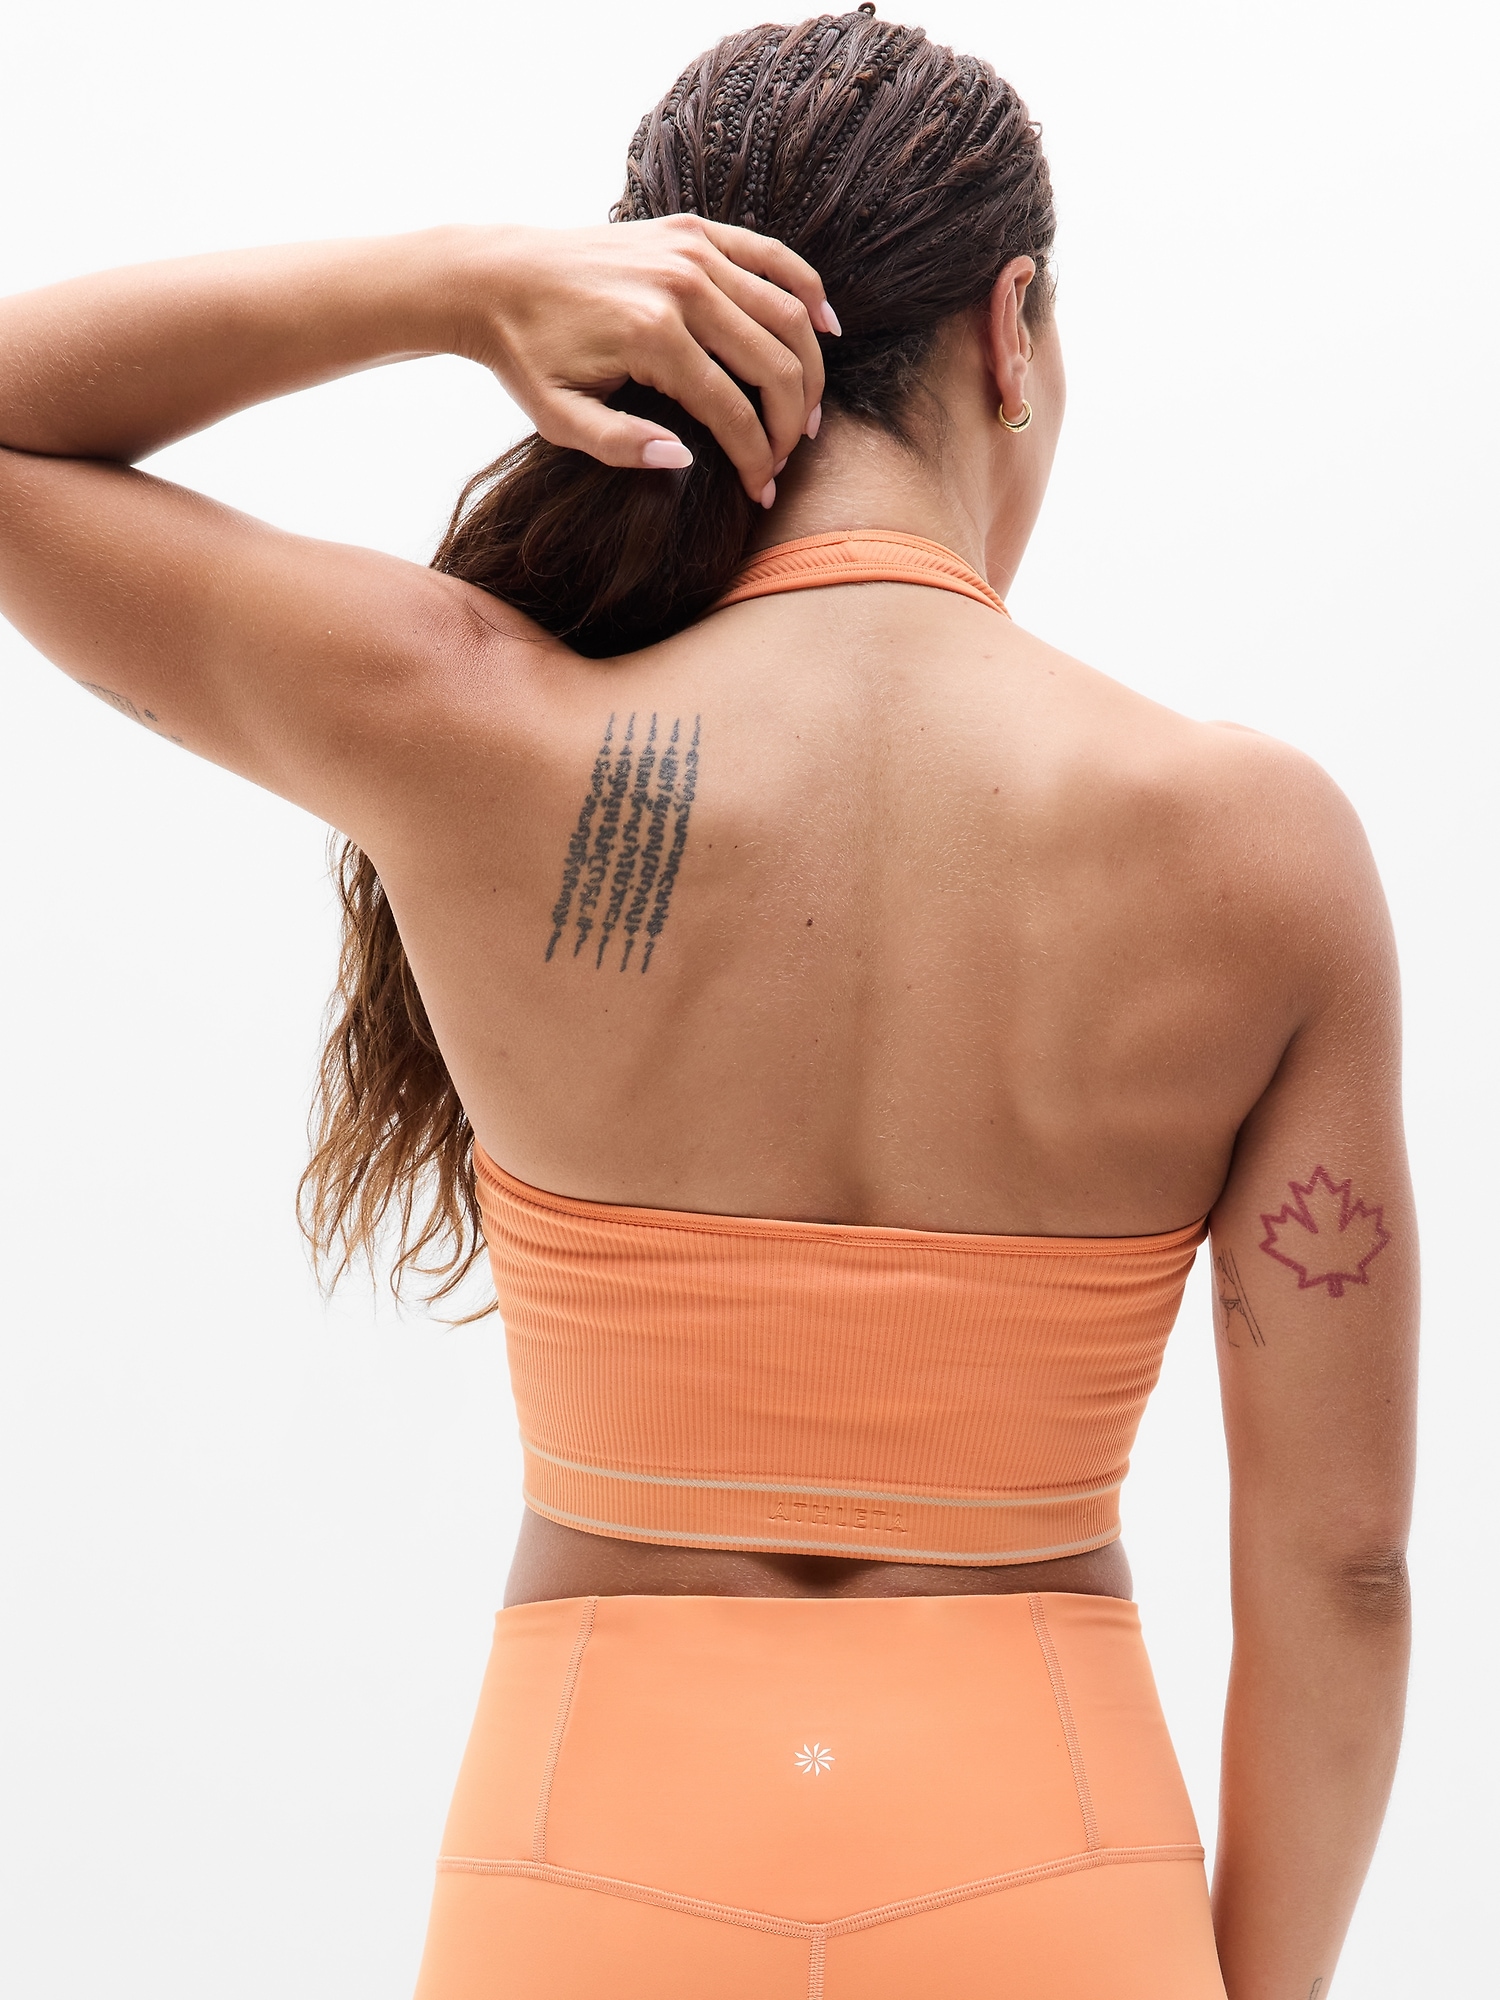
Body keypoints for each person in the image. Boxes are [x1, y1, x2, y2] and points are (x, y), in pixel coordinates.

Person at [0, 9, 1415, 1997]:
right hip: (1051, 1870)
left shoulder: (472, 727)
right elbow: (1344, 1573)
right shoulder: (1257, 851)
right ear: (1013, 330)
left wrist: (452, 288)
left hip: (587, 1866)